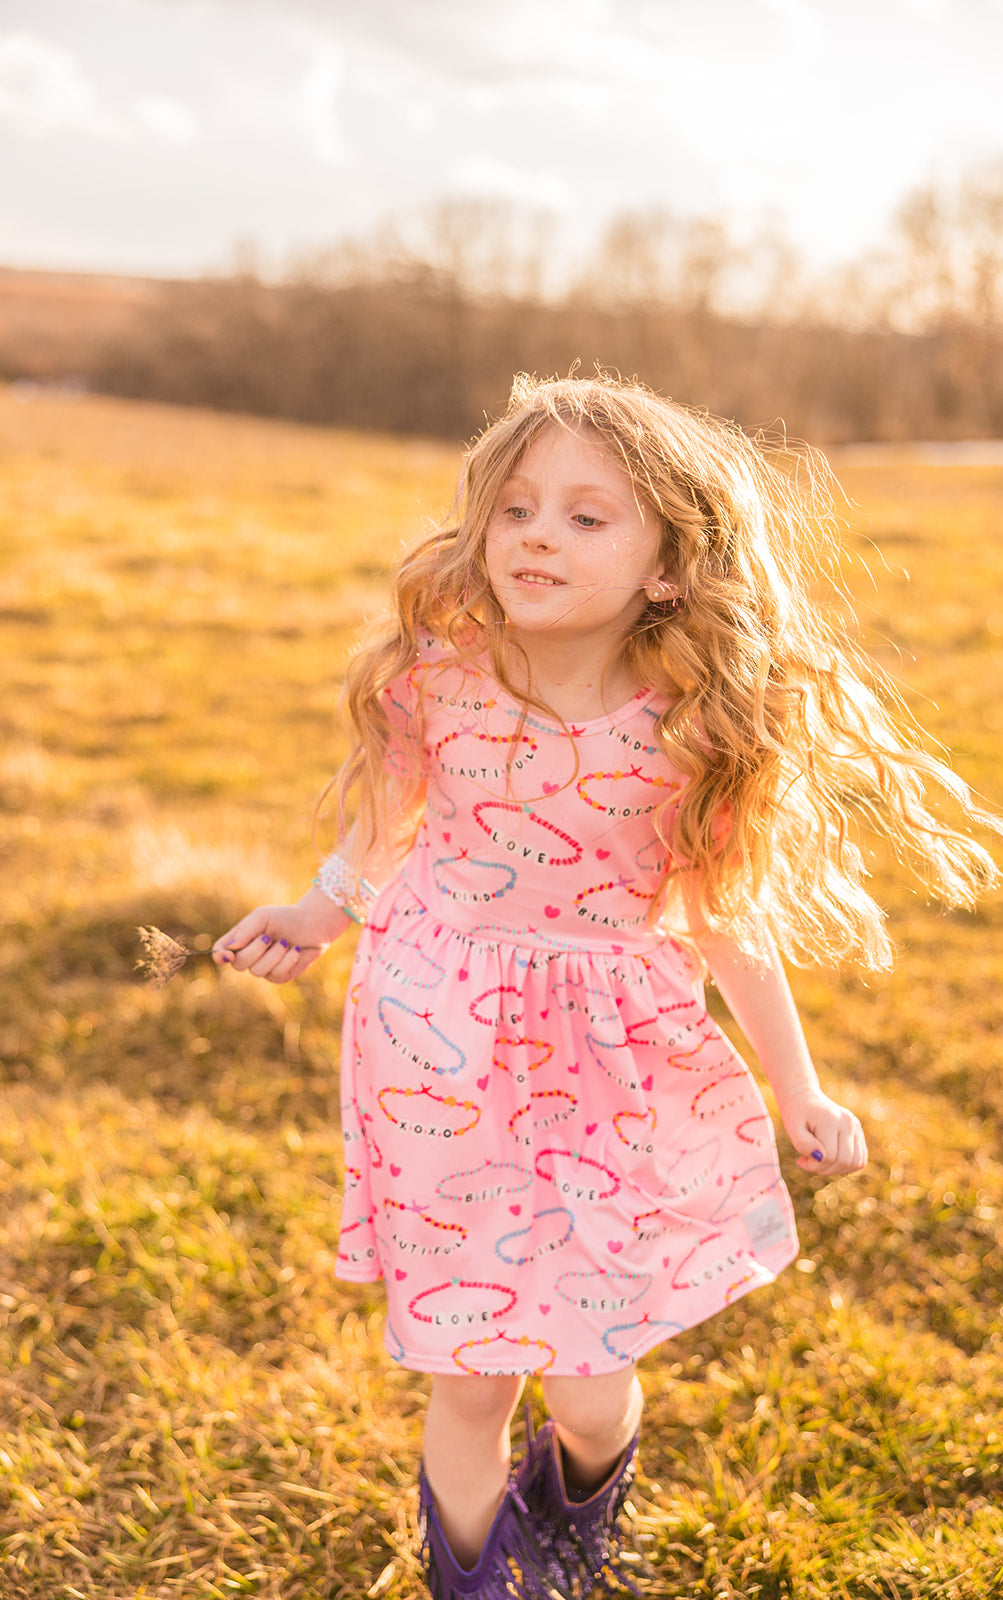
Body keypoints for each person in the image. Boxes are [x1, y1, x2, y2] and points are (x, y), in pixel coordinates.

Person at [212, 374, 998, 1599]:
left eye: (588, 517)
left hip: (605, 1058)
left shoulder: (689, 722)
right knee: (467, 1367)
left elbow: (722, 915)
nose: (537, 535)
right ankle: (474, 1583)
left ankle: (576, 1508)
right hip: (438, 1039)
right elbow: (387, 819)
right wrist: (319, 913)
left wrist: (798, 1087)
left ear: (667, 565)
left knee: (585, 1374)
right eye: (517, 507)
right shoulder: (443, 669)